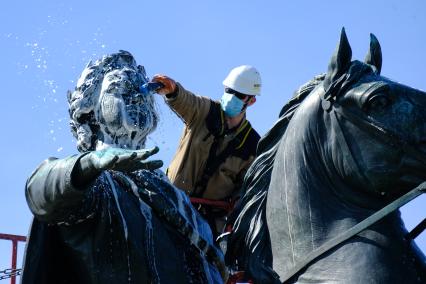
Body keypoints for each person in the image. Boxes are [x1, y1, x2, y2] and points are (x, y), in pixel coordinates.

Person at [21, 50, 225, 284]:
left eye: (143, 90)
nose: (139, 96)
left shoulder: (177, 198)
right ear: (91, 112)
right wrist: (88, 165)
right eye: (121, 89)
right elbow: (39, 192)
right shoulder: (95, 187)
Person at [152, 65, 261, 237]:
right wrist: (173, 90)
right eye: (229, 90)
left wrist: (235, 221)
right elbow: (187, 101)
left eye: (239, 95)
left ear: (251, 101)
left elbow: (245, 191)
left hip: (209, 227)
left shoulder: (253, 145)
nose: (231, 97)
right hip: (170, 204)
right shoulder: (205, 111)